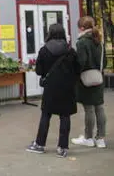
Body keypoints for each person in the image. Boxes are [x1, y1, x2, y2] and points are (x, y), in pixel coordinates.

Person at [26, 24, 80, 158]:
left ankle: (39, 144)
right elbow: (78, 70)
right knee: (65, 116)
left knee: (46, 115)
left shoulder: (44, 50)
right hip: (67, 88)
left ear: (49, 33)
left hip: (50, 89)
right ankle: (62, 148)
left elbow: (39, 71)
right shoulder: (70, 51)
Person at [71, 16, 107, 148]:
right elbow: (105, 62)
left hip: (85, 80)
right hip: (98, 78)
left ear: (81, 28)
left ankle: (88, 138)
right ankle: (101, 138)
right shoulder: (99, 41)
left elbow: (81, 62)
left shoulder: (82, 42)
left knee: (89, 109)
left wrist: (75, 73)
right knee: (99, 107)